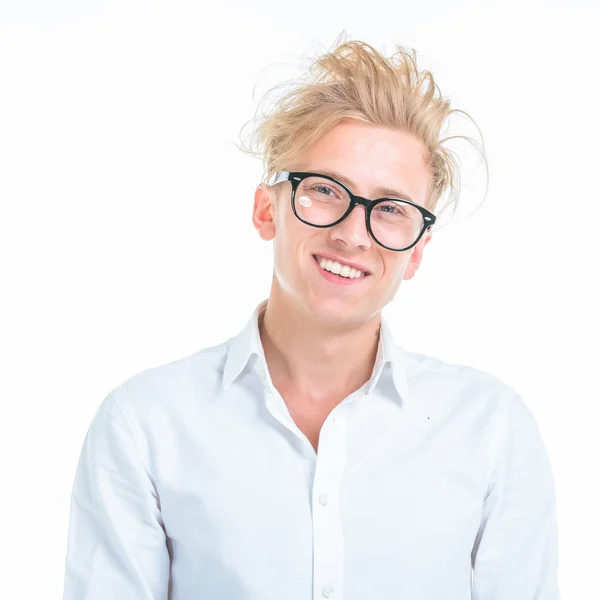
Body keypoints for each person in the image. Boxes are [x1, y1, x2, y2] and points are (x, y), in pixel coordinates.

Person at [62, 36, 560, 600]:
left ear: (417, 251)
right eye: (325, 190)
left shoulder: (492, 430)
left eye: (391, 209)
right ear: (266, 209)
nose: (351, 234)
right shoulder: (144, 425)